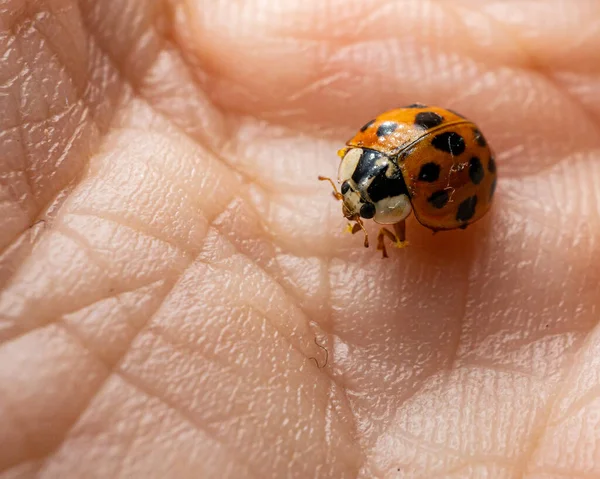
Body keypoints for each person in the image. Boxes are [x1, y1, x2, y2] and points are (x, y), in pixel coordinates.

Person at [1, 1, 599, 477]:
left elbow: (412, 206)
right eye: (355, 198)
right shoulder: (381, 169)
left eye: (360, 203)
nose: (354, 205)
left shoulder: (409, 193)